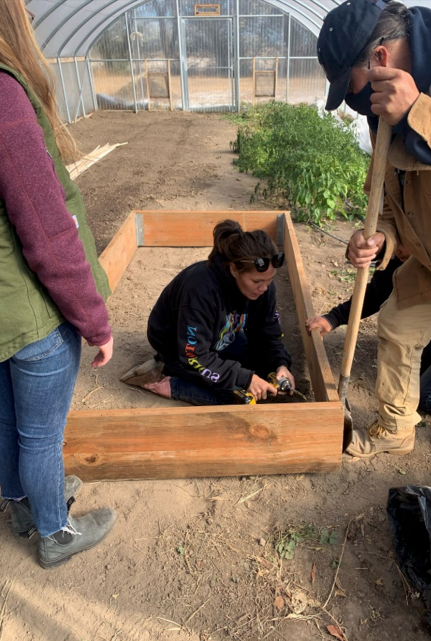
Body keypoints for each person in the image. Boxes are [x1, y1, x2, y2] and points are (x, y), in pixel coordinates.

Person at [317, 0, 431, 457]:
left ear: (381, 60)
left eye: (350, 88)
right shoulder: (383, 110)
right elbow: (390, 199)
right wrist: (382, 237)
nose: (354, 103)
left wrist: (419, 113)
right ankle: (395, 431)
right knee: (399, 324)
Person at [0, 1, 116, 568]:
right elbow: (47, 232)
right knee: (40, 435)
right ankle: (54, 532)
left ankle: (22, 505)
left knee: (6, 418)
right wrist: (94, 320)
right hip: (27, 313)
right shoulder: (4, 96)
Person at [121, 219, 295, 405]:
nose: (264, 288)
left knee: (264, 372)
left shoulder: (263, 285)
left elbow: (268, 333)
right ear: (234, 269)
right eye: (257, 282)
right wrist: (245, 379)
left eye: (269, 280)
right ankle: (166, 382)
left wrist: (280, 364)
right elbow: (194, 355)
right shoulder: (200, 291)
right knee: (239, 397)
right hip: (180, 348)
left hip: (220, 337)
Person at [306, 250, 431, 419]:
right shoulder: (405, 253)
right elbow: (379, 291)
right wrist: (333, 318)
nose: (397, 250)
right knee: (410, 371)